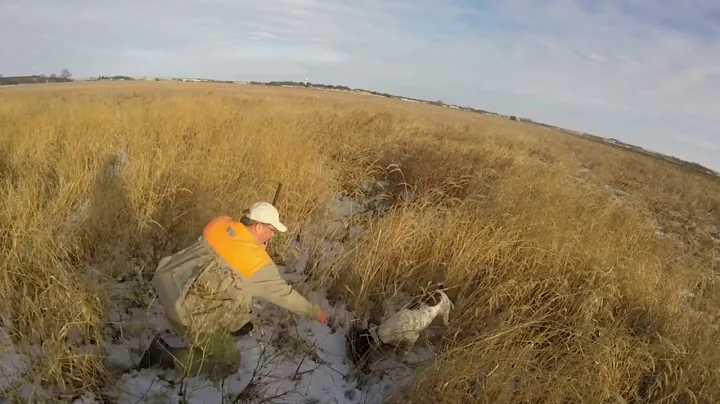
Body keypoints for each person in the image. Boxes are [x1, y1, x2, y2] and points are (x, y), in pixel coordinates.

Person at [139, 201, 329, 378]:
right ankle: (163, 356)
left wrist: (255, 245)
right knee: (229, 362)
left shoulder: (220, 224)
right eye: (271, 230)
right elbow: (284, 295)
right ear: (259, 227)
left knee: (235, 294)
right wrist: (313, 311)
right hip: (184, 312)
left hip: (168, 285)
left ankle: (221, 328)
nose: (272, 235)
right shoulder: (258, 264)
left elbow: (227, 252)